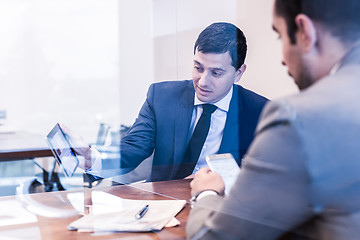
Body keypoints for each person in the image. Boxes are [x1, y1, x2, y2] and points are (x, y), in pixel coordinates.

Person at [187, 0, 360, 239]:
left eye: (280, 36)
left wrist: (205, 194)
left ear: (304, 32)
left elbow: (212, 237)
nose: (282, 59)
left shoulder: (296, 117)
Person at [64, 22, 267, 182]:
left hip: (220, 207)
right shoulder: (161, 96)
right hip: (163, 202)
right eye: (198, 67)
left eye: (216, 73)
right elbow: (133, 148)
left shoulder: (259, 111)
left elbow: (264, 175)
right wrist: (91, 157)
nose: (203, 81)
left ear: (239, 73)